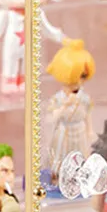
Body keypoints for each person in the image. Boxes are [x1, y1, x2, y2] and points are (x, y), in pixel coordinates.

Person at [45, 40, 96, 185]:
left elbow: (87, 114)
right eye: (78, 75)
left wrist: (90, 130)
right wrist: (64, 106)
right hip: (63, 132)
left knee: (79, 154)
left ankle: (78, 177)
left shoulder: (84, 98)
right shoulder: (58, 99)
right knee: (61, 155)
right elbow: (51, 118)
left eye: (83, 76)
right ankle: (59, 177)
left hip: (79, 131)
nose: (79, 81)